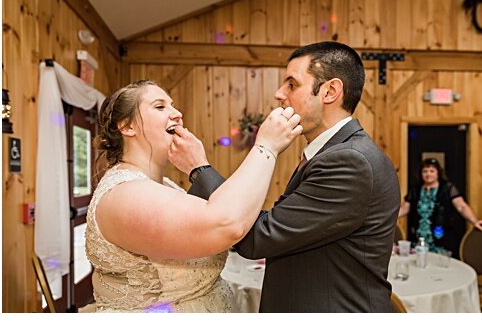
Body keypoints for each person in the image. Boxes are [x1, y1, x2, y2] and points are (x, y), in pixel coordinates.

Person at [168, 42, 402, 312]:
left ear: (330, 91)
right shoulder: (334, 153)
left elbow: (259, 237)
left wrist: (199, 169)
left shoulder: (349, 161)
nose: (279, 94)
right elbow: (284, 223)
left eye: (292, 84)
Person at [84, 81, 304, 312]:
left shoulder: (163, 185)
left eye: (173, 105)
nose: (177, 114)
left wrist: (199, 166)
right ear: (127, 127)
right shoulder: (124, 195)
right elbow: (226, 224)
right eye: (160, 107)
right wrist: (266, 146)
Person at [398, 157, 482, 255]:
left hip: (441, 238)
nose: (428, 174)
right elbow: (405, 208)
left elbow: (461, 206)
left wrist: (475, 221)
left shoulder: (447, 188)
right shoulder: (415, 190)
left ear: (438, 173)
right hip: (418, 239)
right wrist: (387, 217)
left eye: (432, 171)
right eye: (425, 171)